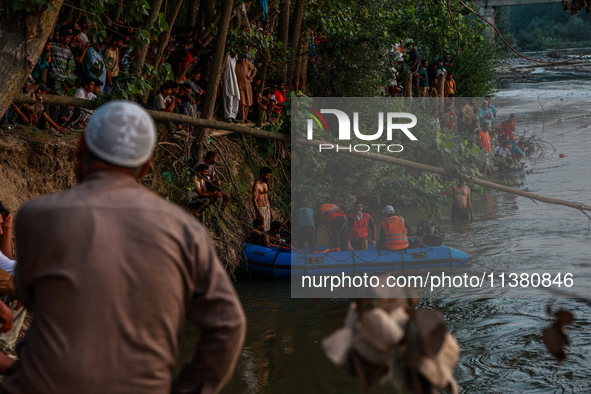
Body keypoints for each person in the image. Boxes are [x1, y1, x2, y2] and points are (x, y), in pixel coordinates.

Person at [2, 101, 245, 393]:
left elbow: (34, 296)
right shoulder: (187, 232)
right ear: (146, 166)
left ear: (80, 149)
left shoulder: (36, 216)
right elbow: (228, 325)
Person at [235, 55, 257, 123]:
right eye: (241, 57)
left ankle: (245, 117)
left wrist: (251, 77)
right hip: (239, 84)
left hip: (247, 85)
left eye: (243, 58)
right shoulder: (236, 64)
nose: (242, 59)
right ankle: (242, 116)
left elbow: (254, 69)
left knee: (247, 102)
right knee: (242, 101)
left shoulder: (247, 63)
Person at [252, 166, 274, 231]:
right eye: (267, 175)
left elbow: (267, 199)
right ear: (262, 175)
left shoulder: (265, 184)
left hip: (266, 208)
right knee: (261, 228)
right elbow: (254, 200)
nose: (269, 177)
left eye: (269, 176)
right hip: (260, 208)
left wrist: (271, 211)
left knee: (267, 228)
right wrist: (259, 212)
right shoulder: (256, 185)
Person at [222, 52, 240, 122]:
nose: (235, 54)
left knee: (236, 97)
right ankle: (228, 115)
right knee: (229, 97)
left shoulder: (234, 60)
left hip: (234, 80)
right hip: (227, 80)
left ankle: (233, 116)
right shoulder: (227, 57)